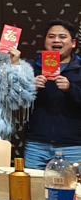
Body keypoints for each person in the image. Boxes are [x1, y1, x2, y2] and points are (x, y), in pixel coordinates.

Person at [25, 21, 81, 168]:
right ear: (45, 41)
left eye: (62, 37)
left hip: (74, 146)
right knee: (33, 183)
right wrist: (31, 88)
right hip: (36, 145)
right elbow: (14, 102)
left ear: (73, 43)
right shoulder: (30, 67)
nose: (56, 40)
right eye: (51, 36)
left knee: (72, 184)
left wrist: (71, 89)